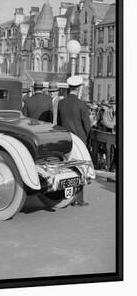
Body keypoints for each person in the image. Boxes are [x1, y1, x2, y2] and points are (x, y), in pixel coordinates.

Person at [57, 75, 91, 207]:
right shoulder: (81, 104)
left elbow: (59, 123)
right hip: (79, 140)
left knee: (67, 168)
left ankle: (66, 197)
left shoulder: (61, 103)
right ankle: (79, 199)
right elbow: (87, 125)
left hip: (66, 139)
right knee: (81, 168)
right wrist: (86, 138)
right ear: (78, 89)